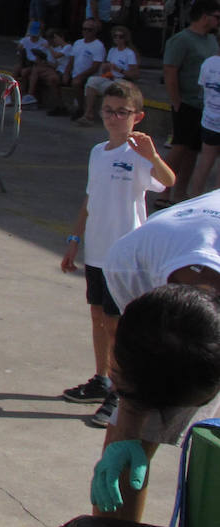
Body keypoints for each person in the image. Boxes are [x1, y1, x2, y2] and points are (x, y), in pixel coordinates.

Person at [90, 194, 220, 520]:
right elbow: (132, 361)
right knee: (126, 443)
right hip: (155, 260)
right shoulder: (130, 261)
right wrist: (127, 433)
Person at [60, 80, 175, 427]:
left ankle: (121, 389)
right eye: (108, 111)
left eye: (122, 112)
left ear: (137, 116)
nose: (113, 118)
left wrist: (153, 156)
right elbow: (90, 198)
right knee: (98, 316)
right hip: (96, 250)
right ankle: (102, 379)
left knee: (117, 323)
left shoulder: (138, 153)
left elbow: (168, 181)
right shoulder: (98, 152)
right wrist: (75, 239)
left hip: (125, 255)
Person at [158, 0, 220, 206]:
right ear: (204, 16)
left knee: (193, 151)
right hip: (186, 103)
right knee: (179, 148)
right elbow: (170, 72)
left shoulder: (211, 40)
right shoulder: (181, 40)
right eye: (216, 16)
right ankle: (162, 191)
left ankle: (181, 193)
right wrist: (177, 102)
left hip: (205, 106)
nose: (218, 21)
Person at [77, 25, 141, 125]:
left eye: (120, 36)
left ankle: (100, 115)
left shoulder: (129, 53)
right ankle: (88, 113)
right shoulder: (112, 50)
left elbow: (134, 74)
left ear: (125, 38)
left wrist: (119, 70)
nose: (117, 39)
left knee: (114, 86)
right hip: (111, 78)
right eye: (115, 36)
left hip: (123, 80)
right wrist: (106, 68)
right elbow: (108, 69)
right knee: (92, 81)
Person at [191, 47, 220, 197]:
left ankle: (195, 198)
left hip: (209, 120)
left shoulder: (208, 63)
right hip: (211, 120)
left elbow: (202, 88)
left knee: (204, 162)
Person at [64, 19, 106, 119]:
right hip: (75, 74)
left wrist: (80, 76)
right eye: (84, 29)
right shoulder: (78, 43)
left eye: (89, 30)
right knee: (54, 78)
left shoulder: (98, 46)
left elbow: (95, 66)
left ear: (95, 31)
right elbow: (71, 60)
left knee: (76, 82)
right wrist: (66, 73)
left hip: (90, 76)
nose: (86, 31)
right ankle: (61, 106)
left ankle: (81, 108)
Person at [15, 21, 52, 107]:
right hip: (26, 62)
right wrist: (20, 51)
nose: (33, 37)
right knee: (17, 69)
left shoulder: (44, 42)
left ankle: (28, 95)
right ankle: (12, 93)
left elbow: (44, 58)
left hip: (37, 64)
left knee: (25, 72)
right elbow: (20, 55)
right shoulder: (24, 40)